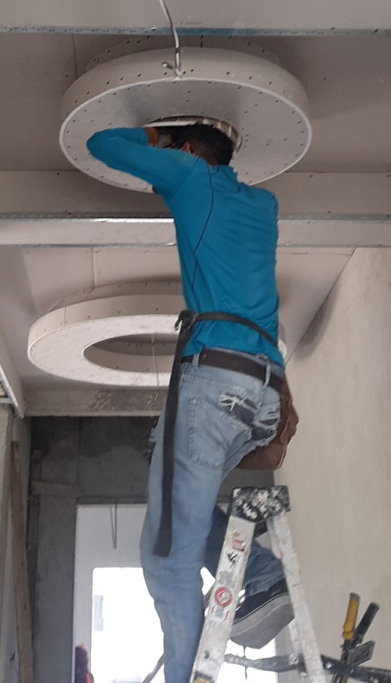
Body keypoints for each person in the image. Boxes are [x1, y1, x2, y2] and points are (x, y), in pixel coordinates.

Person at [87, 122, 293, 683]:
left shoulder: (192, 177)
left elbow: (101, 144)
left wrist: (157, 134)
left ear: (188, 152)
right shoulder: (264, 204)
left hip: (216, 389)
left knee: (166, 561)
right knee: (182, 513)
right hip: (263, 397)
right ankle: (262, 571)